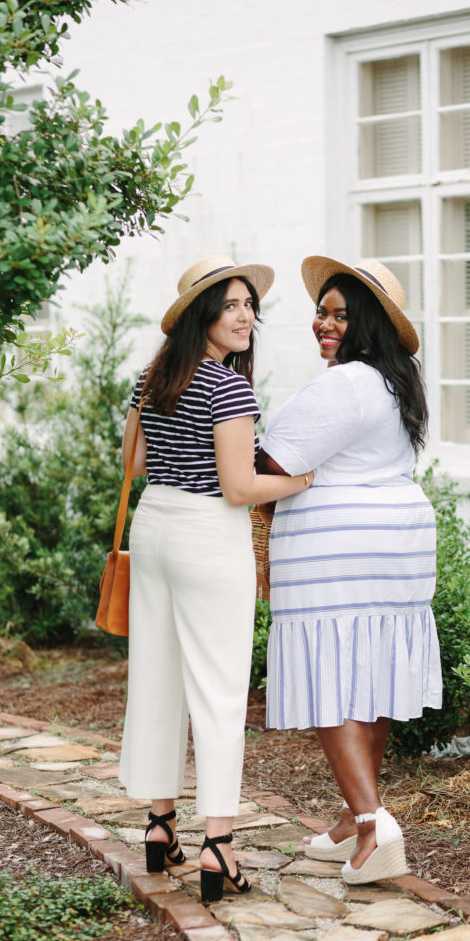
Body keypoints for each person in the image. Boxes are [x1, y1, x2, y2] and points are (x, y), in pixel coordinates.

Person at [118, 254, 313, 903]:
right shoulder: (227, 387)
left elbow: (136, 462)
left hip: (154, 528)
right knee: (220, 691)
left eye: (249, 304)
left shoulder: (152, 377)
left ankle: (159, 825)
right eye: (230, 304)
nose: (245, 316)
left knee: (159, 678)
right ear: (203, 313)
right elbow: (238, 487)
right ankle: (219, 846)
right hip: (207, 535)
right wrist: (299, 480)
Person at [257, 256, 442, 885]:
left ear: (367, 325)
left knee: (329, 678)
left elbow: (271, 458)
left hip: (338, 547)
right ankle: (351, 816)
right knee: (369, 672)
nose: (323, 323)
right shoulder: (396, 384)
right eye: (321, 311)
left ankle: (373, 823)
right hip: (397, 546)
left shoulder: (344, 385)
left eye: (340, 315)